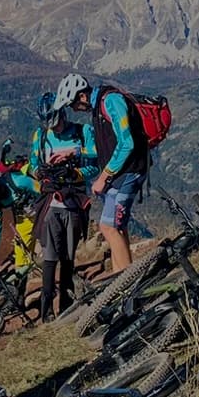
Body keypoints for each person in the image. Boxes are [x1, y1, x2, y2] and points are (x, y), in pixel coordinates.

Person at [52, 73, 150, 276]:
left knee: (109, 227)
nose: (72, 109)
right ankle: (120, 278)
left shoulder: (111, 101)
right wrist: (74, 152)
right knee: (116, 227)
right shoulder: (98, 108)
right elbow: (104, 147)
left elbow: (127, 143)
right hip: (122, 174)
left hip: (130, 172)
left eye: (72, 104)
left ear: (81, 96)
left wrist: (103, 177)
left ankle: (127, 282)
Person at [28, 103, 93, 318]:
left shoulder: (82, 132)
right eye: (49, 125)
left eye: (56, 124)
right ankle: (46, 310)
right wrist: (41, 171)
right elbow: (32, 164)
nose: (54, 129)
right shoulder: (41, 135)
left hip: (73, 203)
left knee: (68, 257)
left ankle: (65, 306)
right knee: (49, 257)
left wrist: (74, 171)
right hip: (50, 203)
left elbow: (94, 166)